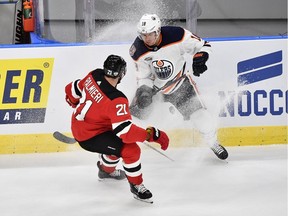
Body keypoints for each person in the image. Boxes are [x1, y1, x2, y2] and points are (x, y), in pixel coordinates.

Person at [64, 54, 169, 203]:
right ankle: (136, 186)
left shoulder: (94, 75)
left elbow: (72, 89)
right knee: (131, 150)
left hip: (80, 124)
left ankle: (106, 171)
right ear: (122, 74)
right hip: (90, 137)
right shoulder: (117, 99)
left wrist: (73, 101)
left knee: (116, 144)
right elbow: (126, 133)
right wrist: (152, 134)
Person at [129, 14, 228, 160]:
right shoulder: (137, 49)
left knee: (202, 118)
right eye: (143, 35)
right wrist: (144, 92)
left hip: (180, 85)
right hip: (154, 91)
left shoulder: (176, 35)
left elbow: (203, 45)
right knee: (133, 118)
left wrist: (200, 58)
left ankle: (212, 142)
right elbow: (143, 76)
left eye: (150, 34)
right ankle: (119, 151)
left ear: (157, 31)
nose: (147, 38)